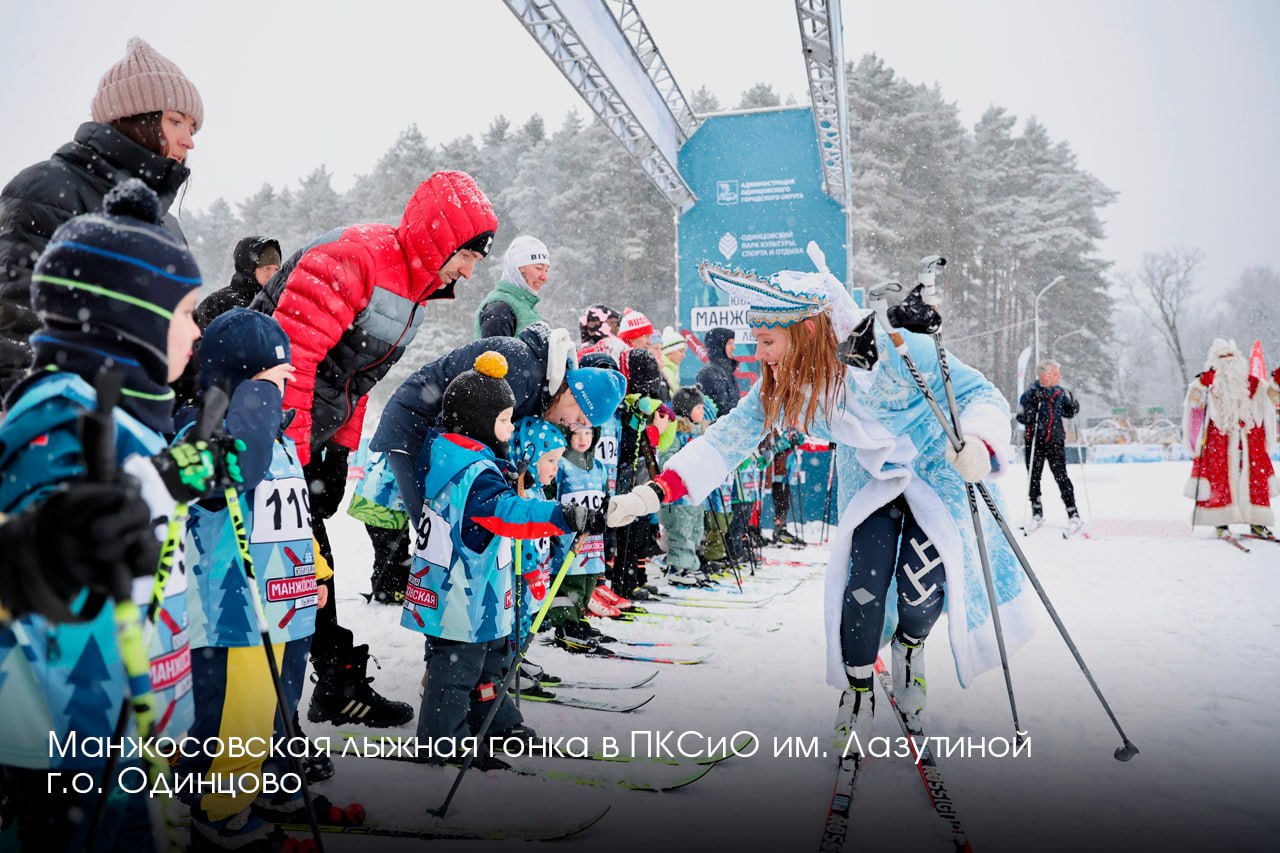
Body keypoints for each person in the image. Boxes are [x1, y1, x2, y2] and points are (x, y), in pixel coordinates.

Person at [607, 255, 1033, 746]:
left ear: (806, 333)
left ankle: (911, 648)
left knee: (922, 589)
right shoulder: (783, 386)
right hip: (872, 479)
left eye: (768, 342)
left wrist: (980, 442)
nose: (761, 354)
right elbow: (727, 440)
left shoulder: (894, 351)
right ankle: (857, 689)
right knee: (863, 585)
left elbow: (982, 394)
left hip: (935, 469)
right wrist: (653, 492)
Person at [0, 181, 245, 852]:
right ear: (134, 316)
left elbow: (134, 489)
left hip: (125, 732)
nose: (197, 333)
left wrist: (188, 472)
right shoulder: (63, 411)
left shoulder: (126, 411)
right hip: (62, 749)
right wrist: (55, 545)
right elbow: (58, 525)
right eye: (186, 313)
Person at [250, 170, 498, 728]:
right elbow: (290, 361)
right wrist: (291, 460)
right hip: (262, 432)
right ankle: (267, 722)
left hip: (308, 436)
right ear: (440, 239)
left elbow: (357, 380)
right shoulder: (355, 257)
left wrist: (339, 450)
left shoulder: (415, 294)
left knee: (311, 567)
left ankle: (330, 684)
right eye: (466, 256)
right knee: (290, 572)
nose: (467, 272)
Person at [402, 353, 601, 770]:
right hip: (458, 592)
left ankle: (492, 721)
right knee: (457, 667)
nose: (511, 429)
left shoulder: (459, 455)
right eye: (505, 420)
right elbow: (507, 514)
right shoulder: (474, 472)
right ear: (478, 422)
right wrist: (559, 516)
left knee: (493, 657)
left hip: (476, 589)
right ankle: (442, 742)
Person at [175, 308, 327, 850]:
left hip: (284, 600)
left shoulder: (279, 439)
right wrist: (254, 403)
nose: (283, 393)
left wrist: (318, 570)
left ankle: (257, 792)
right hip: (232, 611)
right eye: (275, 382)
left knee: (271, 712)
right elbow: (223, 482)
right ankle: (210, 813)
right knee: (229, 720)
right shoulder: (202, 434)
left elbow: (294, 516)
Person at [0, 37, 202, 399]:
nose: (189, 141)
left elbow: (176, 340)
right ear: (133, 119)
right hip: (67, 424)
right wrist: (31, 420)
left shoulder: (167, 226)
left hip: (141, 433)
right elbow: (14, 322)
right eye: (176, 122)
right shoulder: (46, 190)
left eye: (192, 127)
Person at [371, 322, 626, 523]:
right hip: (414, 424)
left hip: (436, 431)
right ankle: (432, 588)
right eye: (579, 419)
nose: (571, 426)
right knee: (436, 522)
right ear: (571, 393)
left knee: (449, 522)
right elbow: (469, 426)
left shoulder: (540, 385)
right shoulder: (523, 370)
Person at [1183, 339, 1278, 540]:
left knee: (1255, 483)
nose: (1227, 363)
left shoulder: (1255, 385)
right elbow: (1193, 405)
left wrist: (1277, 385)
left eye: (1231, 357)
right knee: (1220, 482)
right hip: (1219, 444)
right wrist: (1201, 386)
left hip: (1250, 443)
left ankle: (1258, 523)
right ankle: (1221, 521)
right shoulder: (1208, 384)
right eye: (1222, 358)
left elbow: (1273, 401)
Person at [1017, 359, 1080, 524]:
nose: (1059, 376)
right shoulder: (1030, 393)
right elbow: (1021, 416)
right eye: (1056, 374)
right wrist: (1031, 411)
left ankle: (1072, 511)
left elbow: (1068, 412)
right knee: (1034, 477)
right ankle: (1036, 511)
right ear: (1046, 375)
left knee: (1062, 477)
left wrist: (1073, 406)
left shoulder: (1060, 393)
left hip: (1055, 442)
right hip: (1035, 442)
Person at [660, 387, 711, 587]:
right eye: (698, 408)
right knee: (680, 529)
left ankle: (690, 565)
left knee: (695, 529)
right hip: (678, 494)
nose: (701, 412)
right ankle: (677, 567)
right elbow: (667, 458)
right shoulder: (675, 432)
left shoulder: (700, 433)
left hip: (695, 493)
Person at [194, 236, 282, 330]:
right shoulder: (217, 303)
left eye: (276, 269)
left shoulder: (279, 304)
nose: (272, 275)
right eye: (266, 268)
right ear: (249, 268)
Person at [474, 235, 551, 338]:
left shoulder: (526, 306)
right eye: (538, 268)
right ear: (517, 269)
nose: (544, 277)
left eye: (546, 270)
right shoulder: (500, 308)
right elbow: (493, 353)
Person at [696, 327, 741, 417]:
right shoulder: (710, 372)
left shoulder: (725, 371)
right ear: (719, 346)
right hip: (719, 427)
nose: (733, 347)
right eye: (730, 343)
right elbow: (722, 407)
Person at [660, 325, 687, 394]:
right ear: (669, 351)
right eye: (680, 351)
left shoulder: (671, 370)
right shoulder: (666, 371)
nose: (683, 355)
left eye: (684, 352)